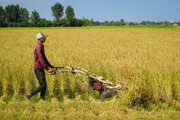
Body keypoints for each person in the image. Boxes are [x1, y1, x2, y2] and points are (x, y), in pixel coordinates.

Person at [26, 33, 54, 100]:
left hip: (40, 68)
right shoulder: (38, 47)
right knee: (43, 85)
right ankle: (30, 94)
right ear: (39, 39)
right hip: (38, 68)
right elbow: (41, 58)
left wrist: (50, 65)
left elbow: (44, 58)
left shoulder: (41, 46)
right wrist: (47, 68)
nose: (45, 39)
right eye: (44, 37)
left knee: (44, 85)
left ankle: (42, 98)